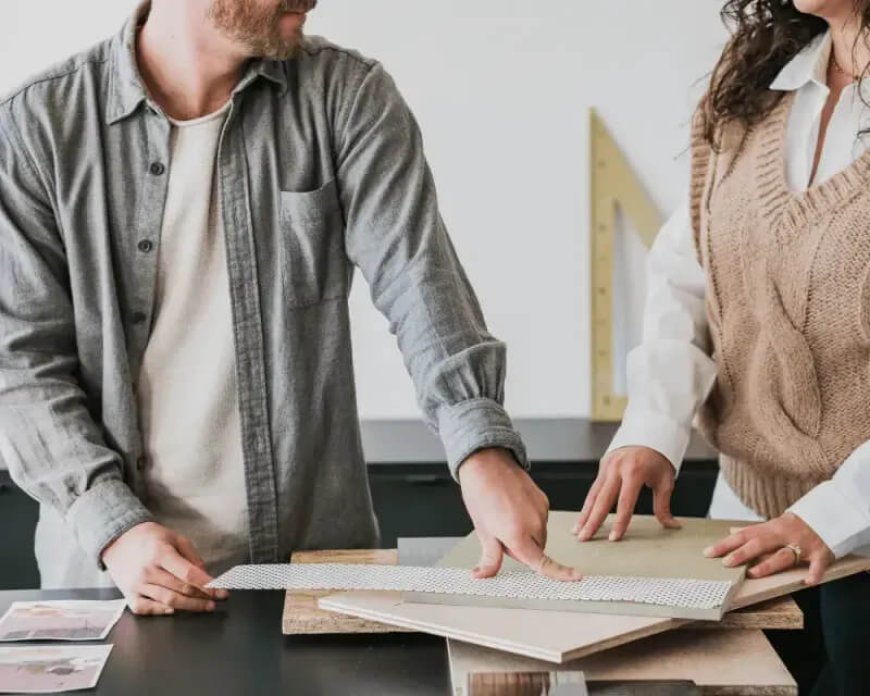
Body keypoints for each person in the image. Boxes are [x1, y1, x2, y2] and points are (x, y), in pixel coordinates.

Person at [0, 0, 579, 617]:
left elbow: (418, 281)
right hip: (115, 580)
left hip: (312, 577)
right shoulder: (39, 128)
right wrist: (113, 525)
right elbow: (20, 365)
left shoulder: (346, 96)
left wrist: (481, 449)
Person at [576, 1, 870, 693]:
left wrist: (828, 515)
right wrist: (652, 427)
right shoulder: (755, 78)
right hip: (746, 519)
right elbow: (690, 272)